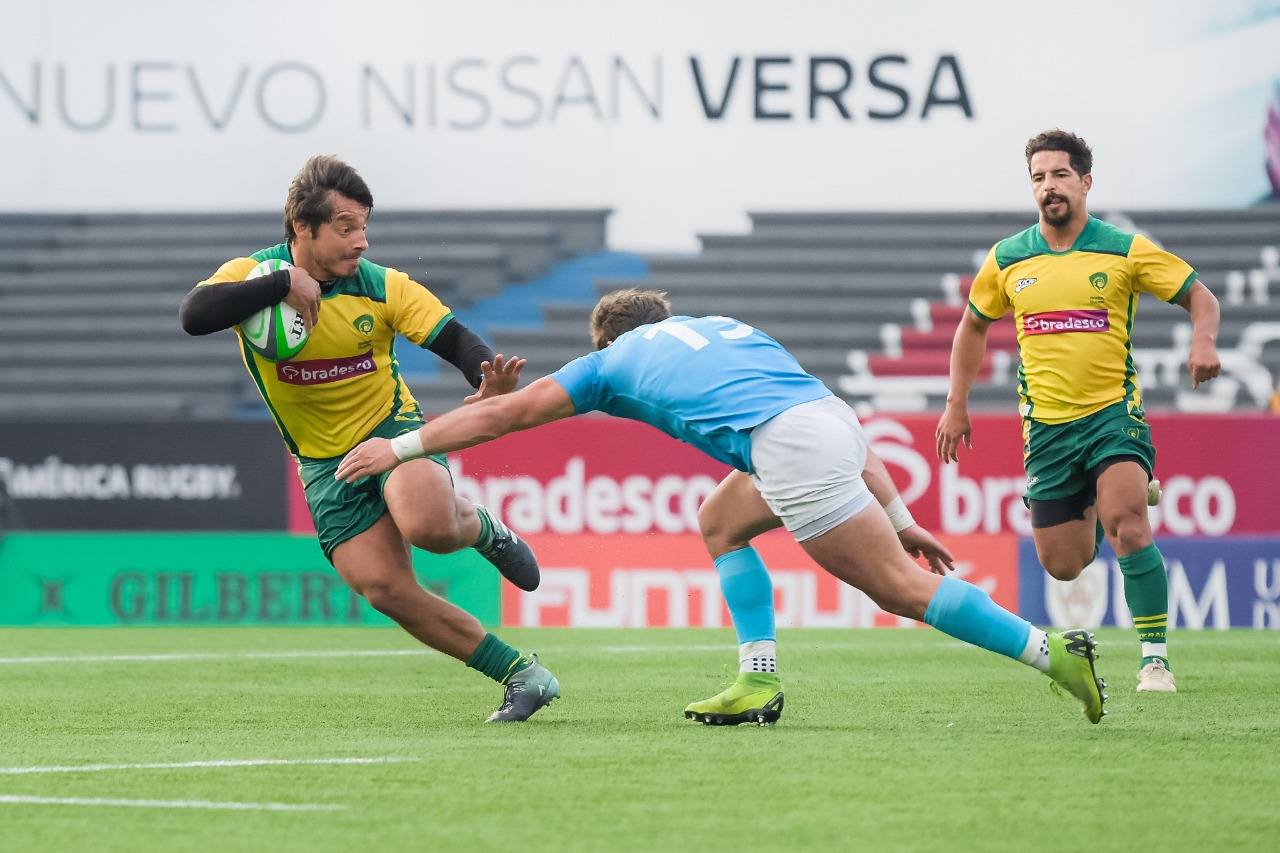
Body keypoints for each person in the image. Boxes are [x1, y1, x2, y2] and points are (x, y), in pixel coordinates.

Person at [336, 288, 1111, 726]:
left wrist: (401, 449)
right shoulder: (727, 327)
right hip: (828, 427)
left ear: (607, 339)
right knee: (720, 521)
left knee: (899, 590)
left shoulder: (611, 361)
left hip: (789, 448)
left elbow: (504, 415)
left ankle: (1053, 652)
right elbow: (835, 416)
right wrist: (900, 511)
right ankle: (758, 677)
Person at [179, 154, 559, 723]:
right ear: (302, 229)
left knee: (429, 527)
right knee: (383, 589)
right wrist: (286, 282)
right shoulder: (254, 278)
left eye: (364, 226)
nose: (360, 241)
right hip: (323, 462)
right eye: (345, 227)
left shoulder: (380, 286)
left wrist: (486, 377)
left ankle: (479, 525)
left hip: (391, 430)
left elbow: (454, 338)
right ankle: (521, 675)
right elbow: (193, 315)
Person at [935, 129, 1222, 695]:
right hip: (1047, 431)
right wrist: (956, 404)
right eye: (1038, 178)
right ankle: (1103, 495)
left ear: (1085, 181)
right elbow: (972, 325)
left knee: (1129, 527)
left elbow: (1200, 296)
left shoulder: (1123, 249)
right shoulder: (1008, 258)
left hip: (1113, 416)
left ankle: (1155, 661)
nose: (1049, 187)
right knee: (1063, 565)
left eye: (1060, 175)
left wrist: (1203, 342)